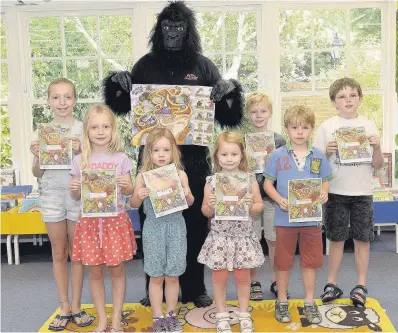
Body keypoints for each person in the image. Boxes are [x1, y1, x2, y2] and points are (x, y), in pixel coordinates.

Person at [102, 1, 244, 307]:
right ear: (159, 29)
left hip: (191, 161)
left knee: (192, 225)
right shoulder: (144, 65)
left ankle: (194, 289)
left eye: (179, 27)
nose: (173, 33)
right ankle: (152, 284)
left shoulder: (203, 66)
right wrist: (117, 83)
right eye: (168, 27)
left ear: (188, 31)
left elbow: (228, 117)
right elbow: (123, 107)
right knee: (152, 222)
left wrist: (230, 90)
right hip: (153, 161)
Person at [29, 78, 94, 331]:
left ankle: (77, 306)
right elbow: (37, 172)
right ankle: (64, 305)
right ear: (48, 101)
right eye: (56, 97)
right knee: (58, 252)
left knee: (76, 254)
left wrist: (80, 152)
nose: (62, 102)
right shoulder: (43, 130)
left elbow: (92, 170)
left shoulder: (82, 129)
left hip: (76, 193)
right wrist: (37, 156)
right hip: (51, 195)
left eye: (67, 97)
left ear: (75, 100)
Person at [313, 77, 383, 307]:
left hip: (362, 191)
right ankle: (331, 284)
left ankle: (361, 285)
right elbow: (315, 165)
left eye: (353, 95)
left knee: (363, 238)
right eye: (342, 96)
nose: (348, 100)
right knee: (336, 238)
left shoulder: (369, 125)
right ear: (334, 102)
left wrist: (377, 147)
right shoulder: (327, 127)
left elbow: (378, 164)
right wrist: (327, 152)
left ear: (360, 99)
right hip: (335, 191)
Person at [69, 104, 137, 332]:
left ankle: (116, 317)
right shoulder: (80, 161)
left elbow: (129, 191)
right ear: (86, 131)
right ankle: (102, 319)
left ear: (113, 129)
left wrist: (128, 185)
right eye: (94, 127)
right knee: (95, 273)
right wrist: (75, 187)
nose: (100, 131)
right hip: (89, 224)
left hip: (114, 222)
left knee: (117, 271)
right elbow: (76, 194)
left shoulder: (121, 159)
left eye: (105, 126)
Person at [264, 105, 332, 324]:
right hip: (285, 220)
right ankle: (282, 301)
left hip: (311, 221)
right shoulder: (277, 155)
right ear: (287, 129)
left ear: (311, 129)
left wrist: (323, 193)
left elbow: (325, 182)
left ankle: (310, 302)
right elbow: (267, 184)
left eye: (305, 127)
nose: (300, 132)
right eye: (295, 127)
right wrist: (279, 199)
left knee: (310, 262)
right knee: (282, 262)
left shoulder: (318, 156)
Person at [198, 131, 265, 333]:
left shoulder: (249, 180)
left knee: (242, 277)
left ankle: (244, 314)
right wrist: (210, 205)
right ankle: (221, 314)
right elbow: (205, 211)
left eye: (234, 154)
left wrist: (250, 205)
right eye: (224, 155)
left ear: (242, 156)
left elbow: (259, 206)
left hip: (242, 237)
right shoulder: (212, 182)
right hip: (220, 238)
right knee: (219, 277)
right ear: (217, 156)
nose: (229, 159)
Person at [130, 127, 194, 333]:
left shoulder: (180, 174)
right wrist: (139, 195)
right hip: (153, 229)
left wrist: (186, 193)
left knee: (173, 275)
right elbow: (132, 203)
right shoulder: (143, 176)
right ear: (149, 152)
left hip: (176, 227)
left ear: (173, 151)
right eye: (156, 150)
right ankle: (158, 316)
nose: (161, 155)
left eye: (166, 150)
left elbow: (191, 201)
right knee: (156, 276)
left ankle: (172, 314)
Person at [244, 92, 287, 301]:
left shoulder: (279, 140)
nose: (258, 115)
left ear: (270, 113)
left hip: (272, 198)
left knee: (273, 240)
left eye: (262, 111)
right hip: (250, 199)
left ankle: (277, 281)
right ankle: (254, 282)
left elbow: (284, 169)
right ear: (247, 115)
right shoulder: (243, 141)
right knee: (252, 239)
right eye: (253, 112)